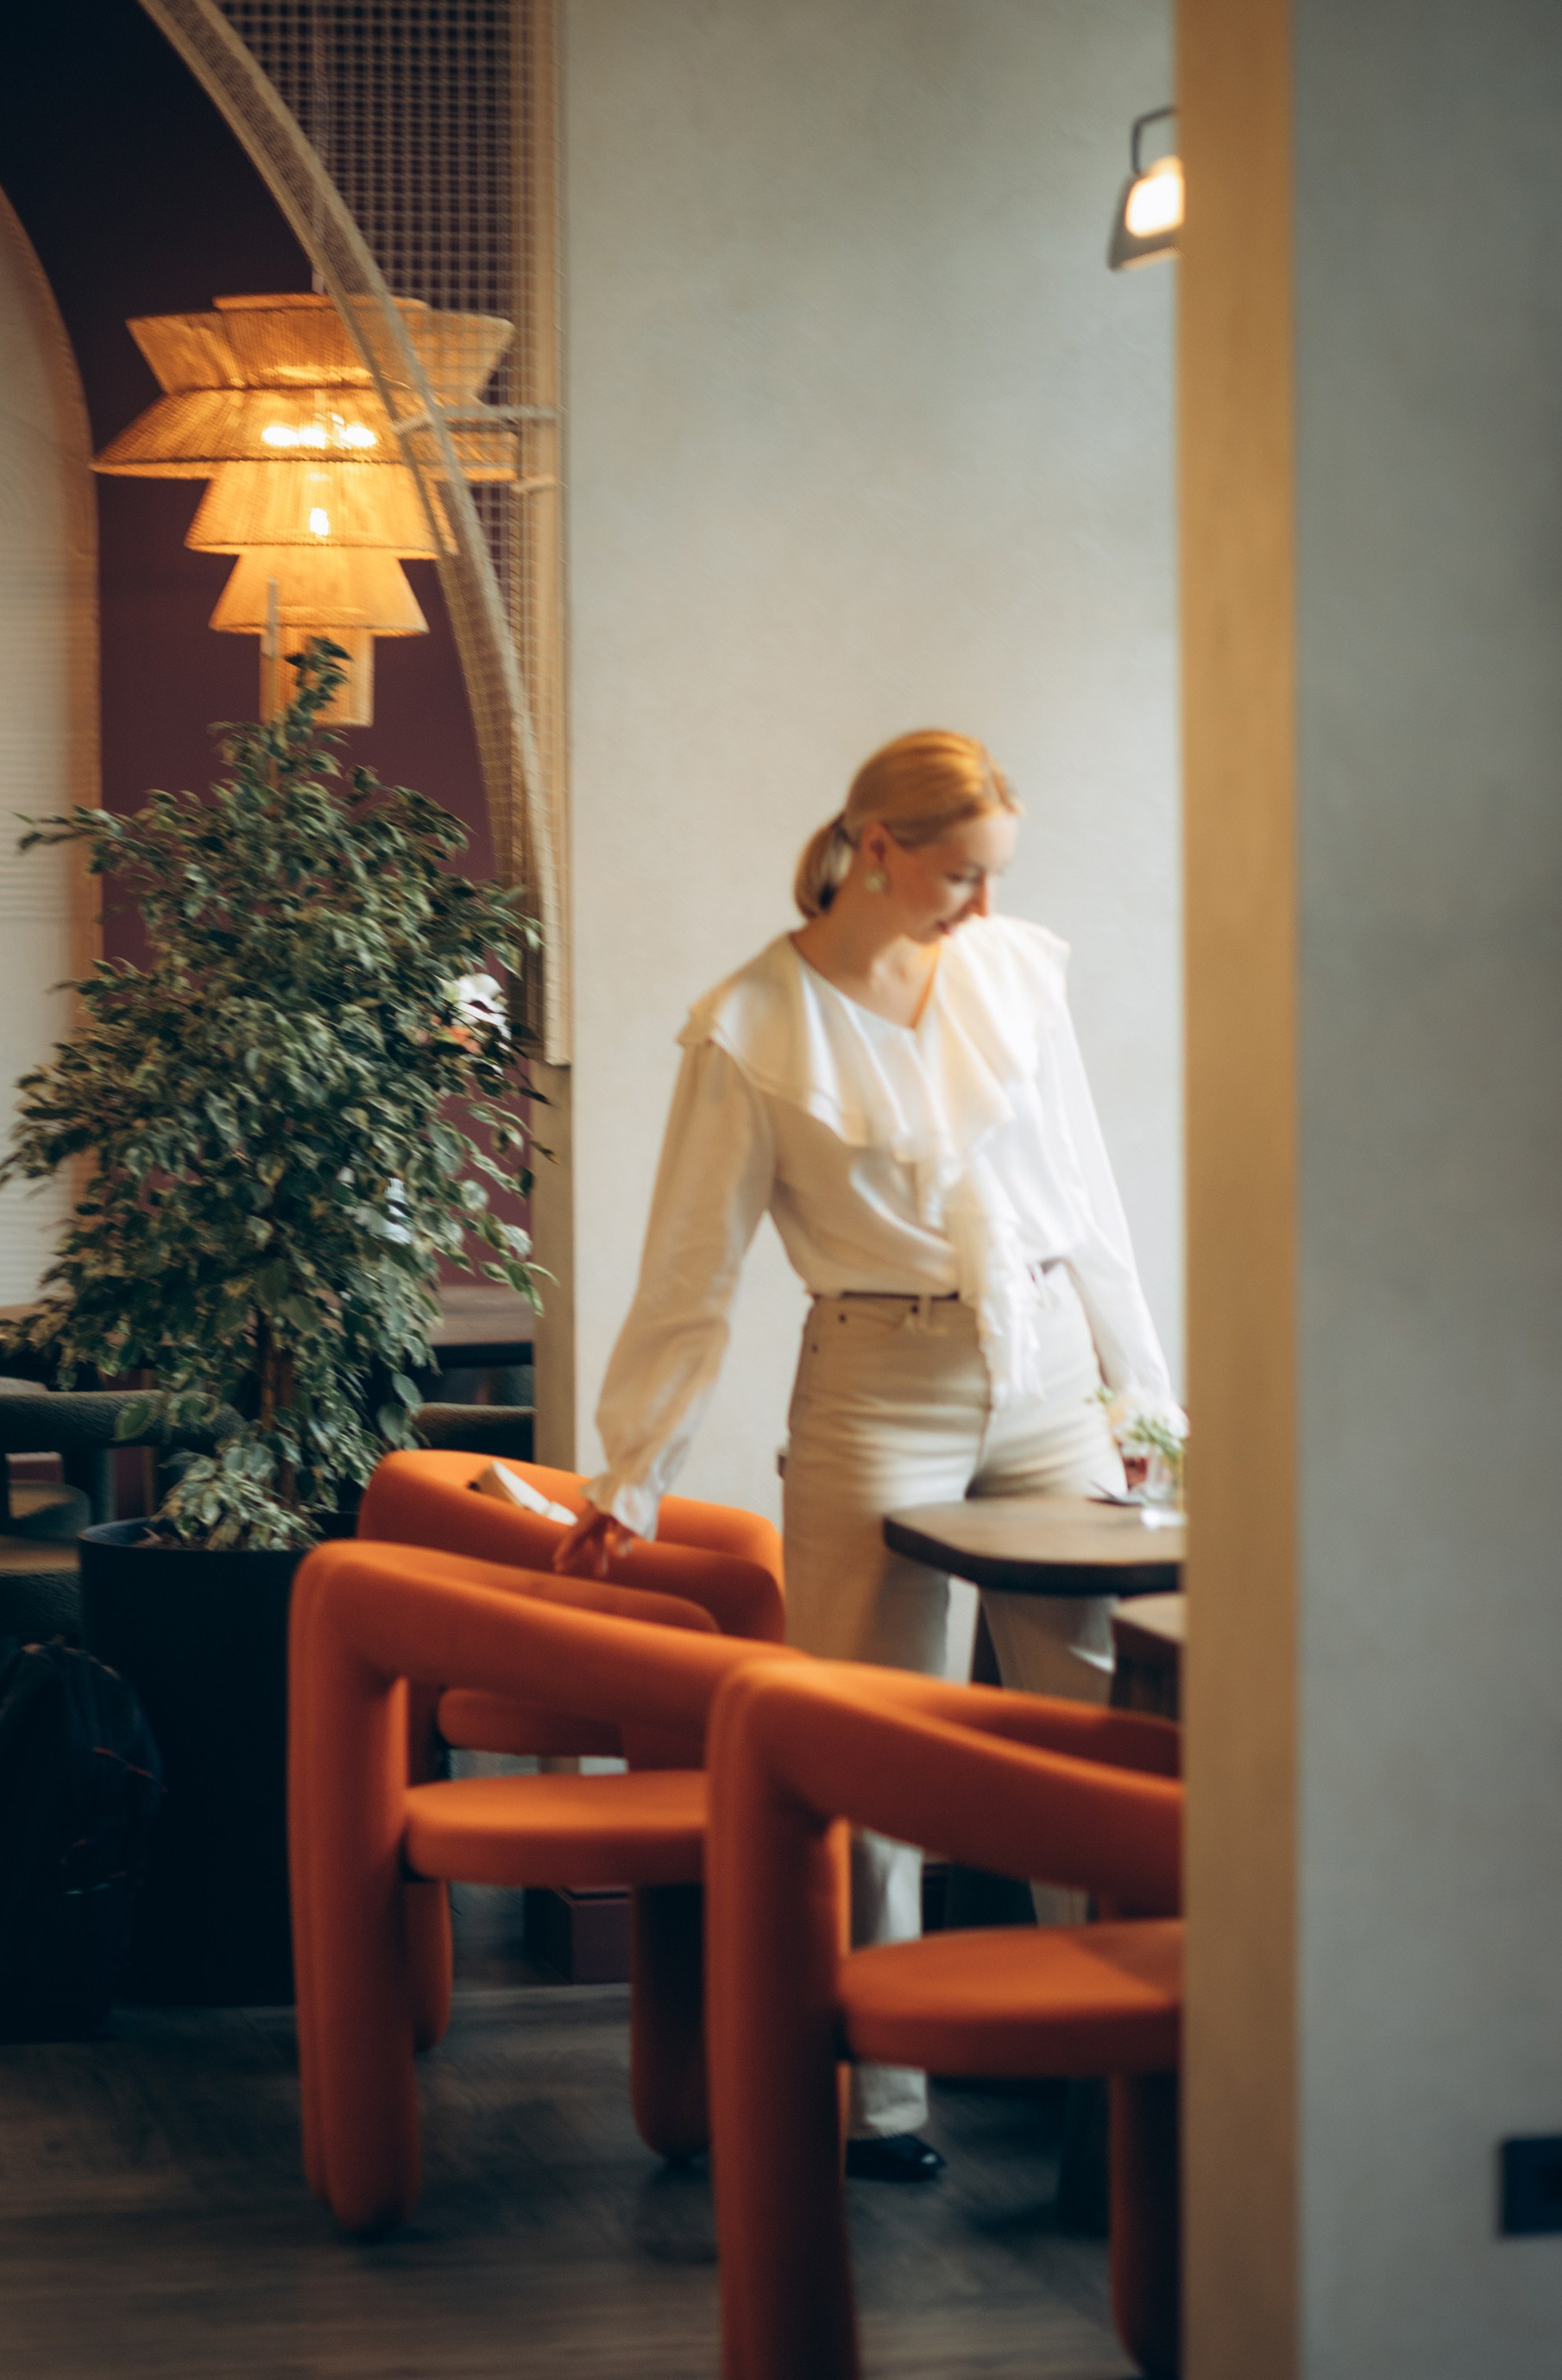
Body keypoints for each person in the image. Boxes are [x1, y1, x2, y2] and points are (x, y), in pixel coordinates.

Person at [557, 730, 1181, 2179]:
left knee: (1088, 1721)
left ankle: (1119, 2073)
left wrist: (1145, 1406)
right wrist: (632, 1472)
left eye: (996, 875)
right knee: (874, 1733)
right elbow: (691, 1271)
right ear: (877, 846)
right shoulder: (749, 1023)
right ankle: (878, 2101)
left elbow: (1088, 1199)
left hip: (1046, 1376)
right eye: (960, 874)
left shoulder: (1015, 973)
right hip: (873, 1390)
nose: (983, 905)